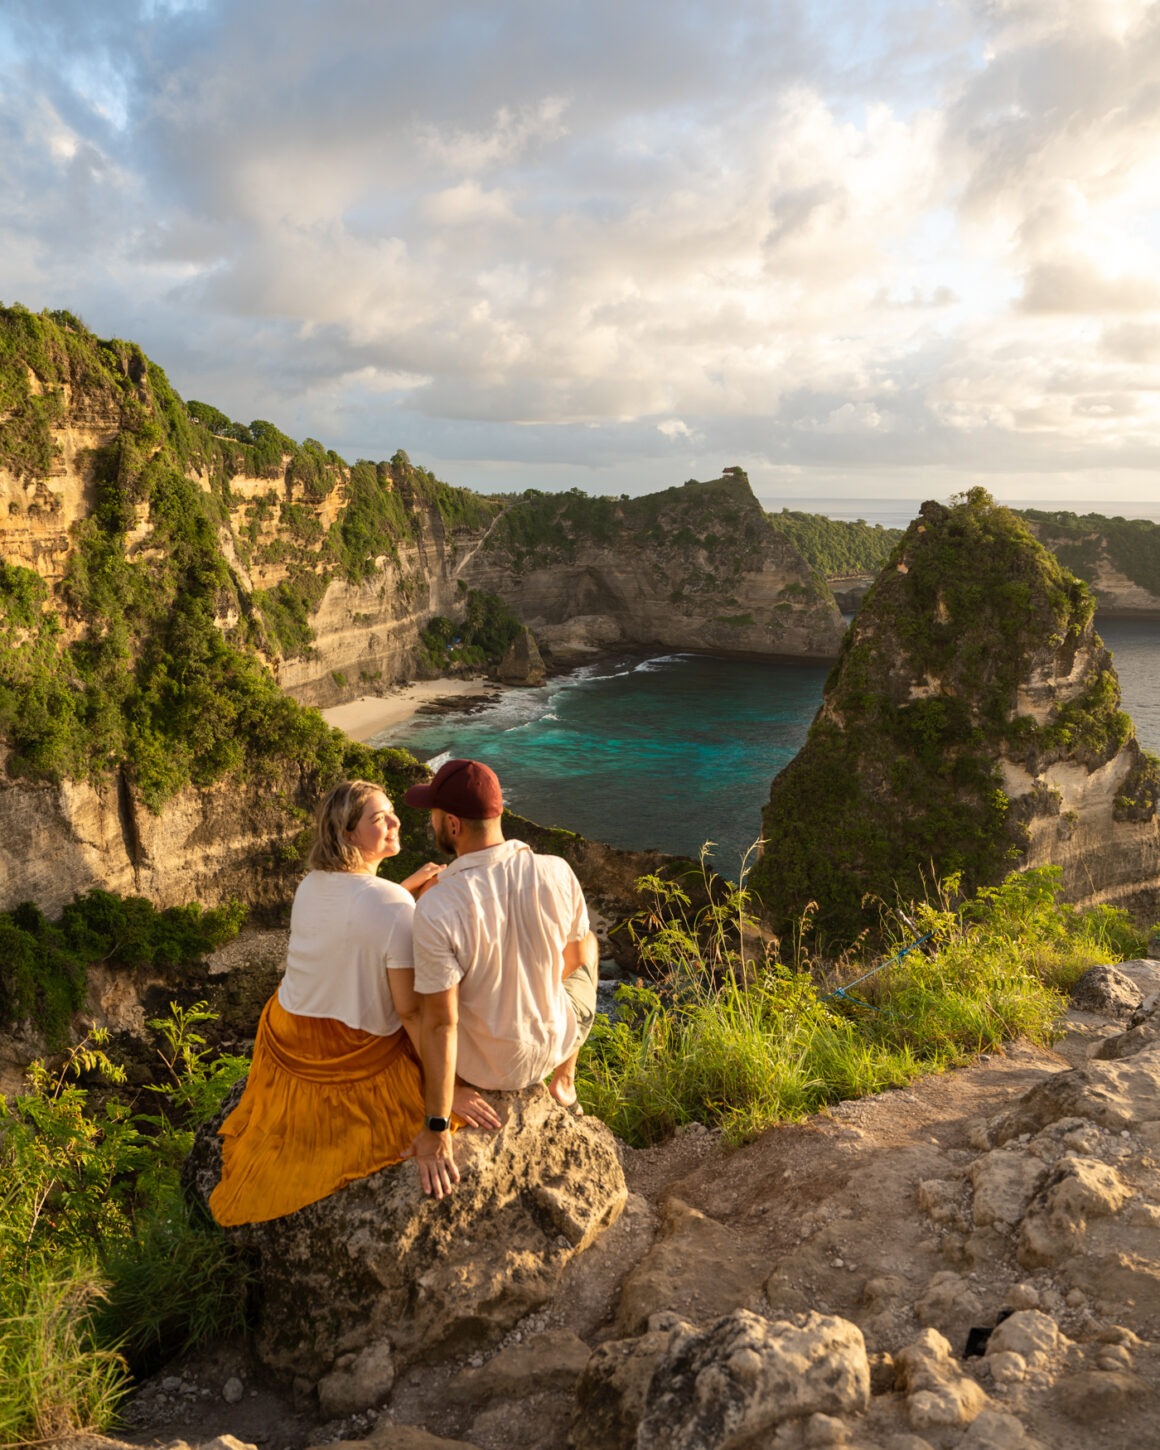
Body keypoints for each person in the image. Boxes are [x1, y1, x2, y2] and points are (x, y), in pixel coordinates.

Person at [209, 778, 500, 1226]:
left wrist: (403, 893)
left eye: (392, 813)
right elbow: (411, 1013)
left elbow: (355, 922)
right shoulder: (390, 905)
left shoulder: (313, 883)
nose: (395, 822)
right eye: (379, 819)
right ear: (348, 835)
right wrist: (448, 1094)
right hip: (344, 1053)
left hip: (286, 1032)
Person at [402, 758, 600, 1199]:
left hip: (480, 1070)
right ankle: (564, 1080)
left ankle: (556, 1074)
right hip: (549, 1046)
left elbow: (439, 1022)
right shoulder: (557, 871)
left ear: (452, 824)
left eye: (433, 814)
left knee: (410, 994)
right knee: (588, 946)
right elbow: (572, 957)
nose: (430, 821)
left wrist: (438, 1123)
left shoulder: (437, 906)